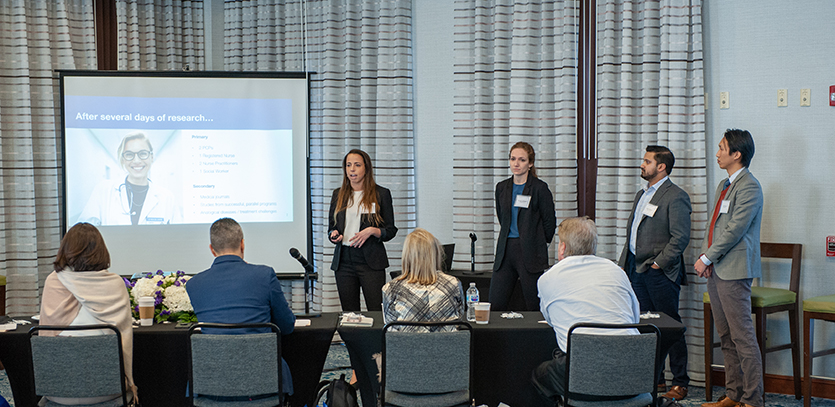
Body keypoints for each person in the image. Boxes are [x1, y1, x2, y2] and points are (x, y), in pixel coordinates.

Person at [532, 217, 640, 404]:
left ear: (563, 248)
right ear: (594, 246)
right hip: (632, 371)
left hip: (582, 374)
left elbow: (551, 320)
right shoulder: (616, 271)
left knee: (539, 375)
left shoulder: (548, 279)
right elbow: (634, 317)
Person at [186, 218, 297, 397]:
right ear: (243, 244)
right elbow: (286, 326)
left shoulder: (194, 284)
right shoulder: (265, 275)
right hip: (265, 380)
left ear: (212, 249)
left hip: (211, 382)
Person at [695, 129, 763, 407]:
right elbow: (714, 225)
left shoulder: (749, 185)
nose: (717, 153)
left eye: (722, 148)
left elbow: (735, 229)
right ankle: (733, 395)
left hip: (734, 270)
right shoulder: (724, 184)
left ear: (737, 154)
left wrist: (708, 258)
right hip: (718, 267)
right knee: (725, 335)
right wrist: (706, 255)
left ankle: (752, 399)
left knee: (742, 336)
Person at [618, 145, 691, 400]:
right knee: (646, 327)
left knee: (670, 326)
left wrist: (659, 263)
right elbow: (634, 233)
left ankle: (680, 382)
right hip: (636, 270)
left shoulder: (675, 195)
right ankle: (655, 380)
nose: (642, 164)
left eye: (647, 161)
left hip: (659, 273)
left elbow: (680, 238)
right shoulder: (642, 194)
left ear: (661, 167)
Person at [39, 223, 137, 405]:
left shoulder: (53, 281)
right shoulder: (115, 283)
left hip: (57, 391)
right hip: (109, 390)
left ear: (65, 249)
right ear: (101, 251)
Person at [328, 149, 397, 312]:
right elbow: (332, 227)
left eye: (357, 165)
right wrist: (333, 235)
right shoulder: (338, 194)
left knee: (376, 310)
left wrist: (373, 231)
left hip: (370, 261)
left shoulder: (381, 194)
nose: (352, 169)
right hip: (344, 261)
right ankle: (352, 339)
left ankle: (376, 339)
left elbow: (391, 230)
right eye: (348, 165)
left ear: (366, 168)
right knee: (349, 312)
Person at [491, 141, 556, 311]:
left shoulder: (539, 188)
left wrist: (540, 242)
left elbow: (550, 222)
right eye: (513, 159)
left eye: (522, 160)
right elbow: (502, 217)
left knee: (533, 304)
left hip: (530, 251)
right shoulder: (501, 187)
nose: (516, 164)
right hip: (506, 249)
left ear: (530, 163)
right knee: (496, 303)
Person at [78, 131, 180, 226]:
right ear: (123, 159)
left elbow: (178, 237)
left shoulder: (167, 198)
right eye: (129, 155)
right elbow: (84, 234)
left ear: (151, 157)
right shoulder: (103, 191)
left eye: (143, 153)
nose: (136, 160)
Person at [382, 228, 465, 332]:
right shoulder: (453, 284)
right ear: (435, 253)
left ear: (406, 255)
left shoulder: (391, 288)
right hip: (446, 347)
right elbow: (460, 319)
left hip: (407, 347)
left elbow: (390, 328)